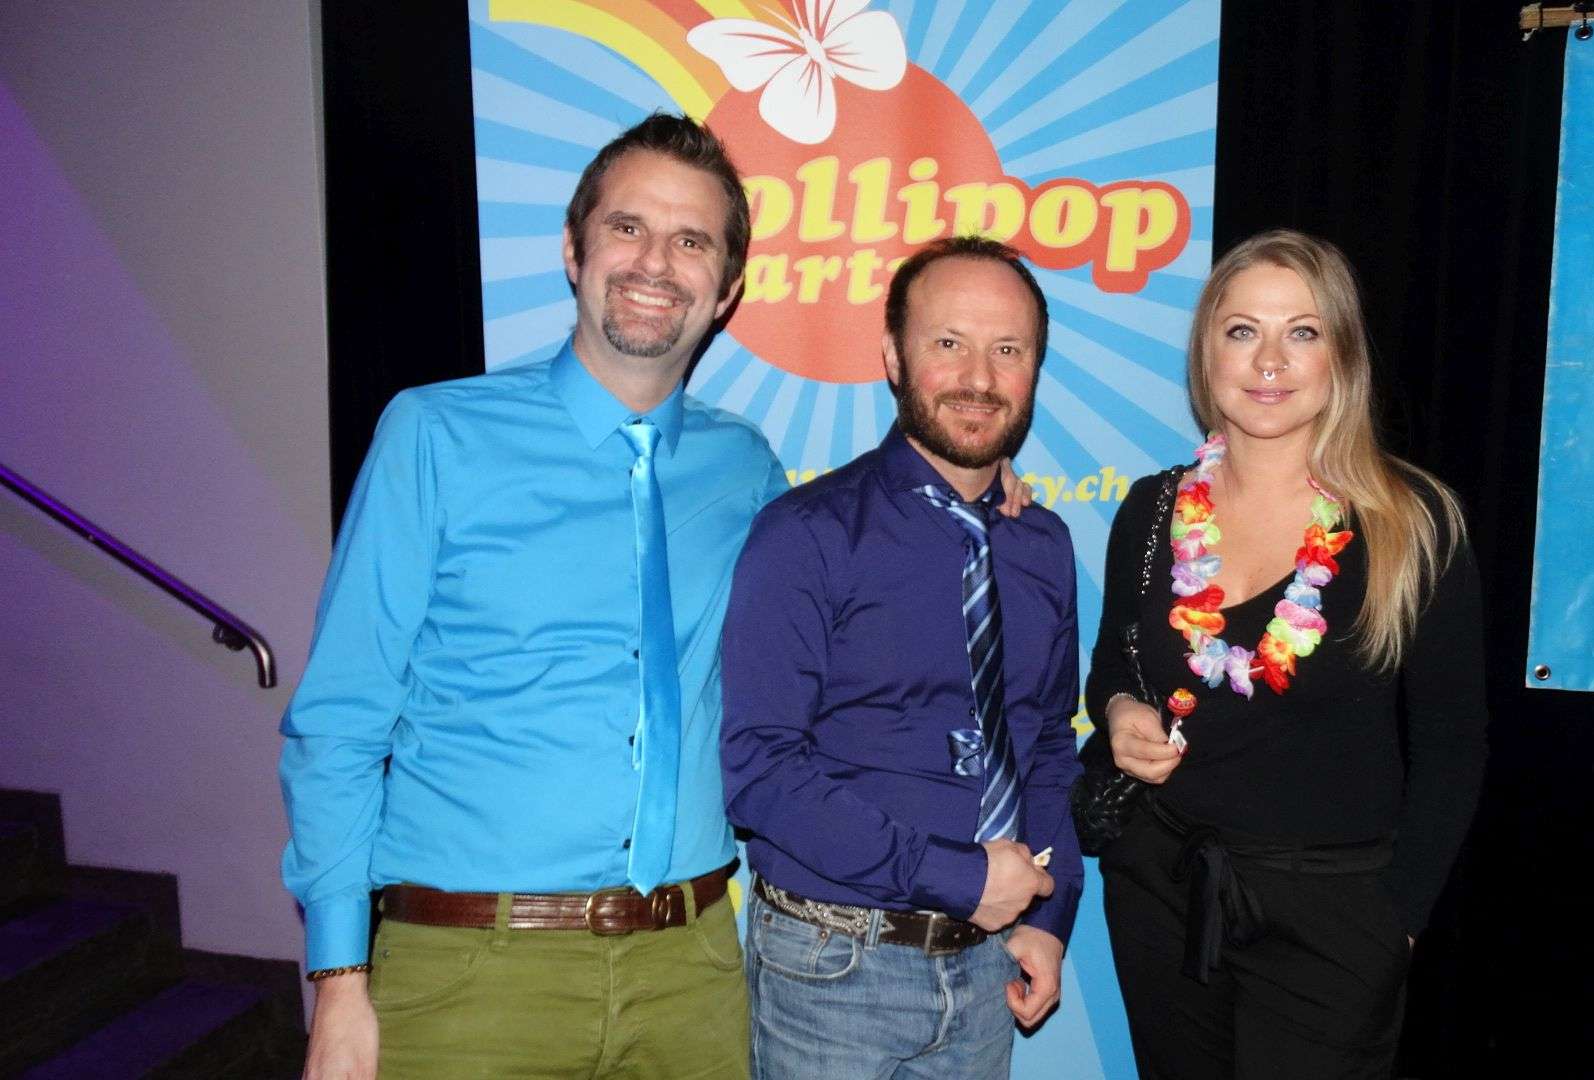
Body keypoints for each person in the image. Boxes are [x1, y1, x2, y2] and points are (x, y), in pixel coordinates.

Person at [280, 113, 782, 1080]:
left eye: (692, 241)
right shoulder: (434, 436)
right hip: (469, 976)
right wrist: (338, 977)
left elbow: (837, 621)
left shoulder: (747, 469)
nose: (655, 263)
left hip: (692, 973)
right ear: (572, 249)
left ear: (726, 289)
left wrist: (975, 489)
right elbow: (340, 719)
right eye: (627, 227)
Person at [1088, 228, 1488, 1078]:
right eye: (1243, 331)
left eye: (1302, 331)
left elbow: (1454, 747)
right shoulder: (1151, 510)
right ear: (1207, 353)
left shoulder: (1413, 524)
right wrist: (1121, 711)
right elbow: (1115, 665)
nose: (1269, 360)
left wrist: (1397, 924)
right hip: (1164, 892)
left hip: (1335, 919)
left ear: (1342, 353)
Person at [720, 236, 1084, 1080]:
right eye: (948, 343)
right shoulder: (808, 533)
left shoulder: (1044, 544)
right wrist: (955, 877)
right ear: (892, 356)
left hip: (988, 967)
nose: (979, 378)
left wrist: (1049, 914)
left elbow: (1047, 746)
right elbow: (760, 770)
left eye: (1008, 350)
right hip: (830, 968)